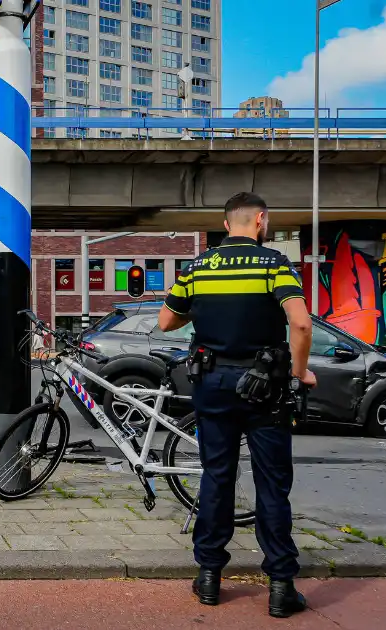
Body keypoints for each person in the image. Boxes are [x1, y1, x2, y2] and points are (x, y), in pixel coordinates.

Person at [157, 192, 317, 618]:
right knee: (271, 484)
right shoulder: (276, 265)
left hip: (212, 382)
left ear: (227, 224)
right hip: (265, 386)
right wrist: (300, 372)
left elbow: (166, 320)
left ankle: (209, 576)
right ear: (260, 221)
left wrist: (207, 309)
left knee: (217, 477)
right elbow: (300, 323)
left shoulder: (197, 266)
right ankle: (281, 585)